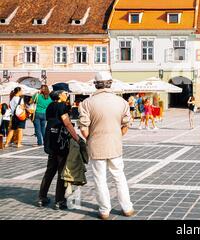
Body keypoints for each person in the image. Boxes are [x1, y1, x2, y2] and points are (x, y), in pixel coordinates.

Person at [79, 71, 134, 220]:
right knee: (119, 177)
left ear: (95, 84)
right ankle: (127, 208)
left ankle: (104, 210)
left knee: (100, 179)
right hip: (115, 144)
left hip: (96, 145)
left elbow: (84, 129)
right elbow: (126, 126)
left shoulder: (86, 103)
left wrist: (92, 139)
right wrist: (116, 136)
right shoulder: (121, 102)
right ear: (110, 83)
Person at [37, 86, 81, 209]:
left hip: (51, 139)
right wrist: (76, 138)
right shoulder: (61, 106)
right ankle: (59, 200)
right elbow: (66, 123)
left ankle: (42, 197)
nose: (66, 95)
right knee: (62, 170)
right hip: (61, 141)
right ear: (59, 94)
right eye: (65, 93)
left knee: (50, 170)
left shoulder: (50, 106)